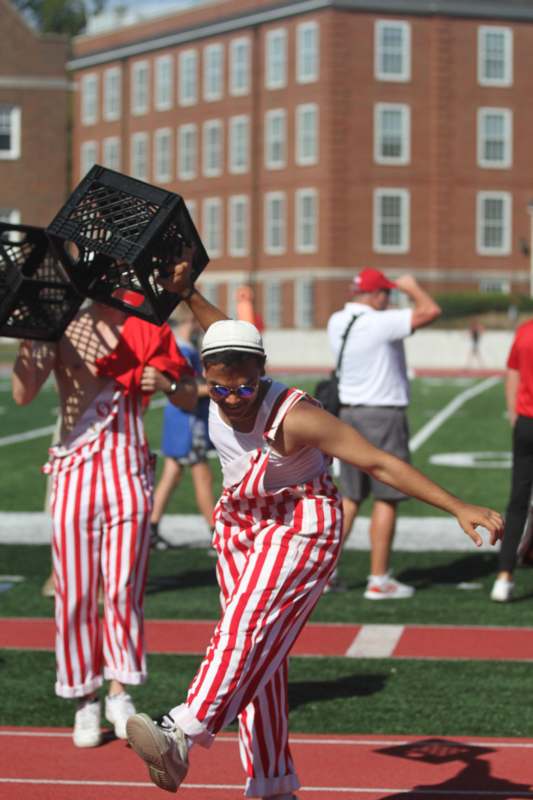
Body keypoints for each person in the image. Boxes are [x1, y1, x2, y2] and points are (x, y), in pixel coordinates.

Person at [125, 262, 503, 800]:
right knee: (262, 664)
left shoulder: (295, 416)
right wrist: (187, 292)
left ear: (261, 371)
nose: (233, 399)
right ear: (207, 373)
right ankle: (273, 784)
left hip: (302, 522)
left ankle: (181, 731)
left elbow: (379, 463)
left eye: (244, 387)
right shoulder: (215, 374)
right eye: (220, 388)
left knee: (246, 626)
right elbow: (217, 327)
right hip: (242, 523)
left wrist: (456, 505)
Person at [11, 294, 196, 748]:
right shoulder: (59, 322)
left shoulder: (147, 323)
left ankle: (119, 691)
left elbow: (189, 396)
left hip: (128, 471)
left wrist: (168, 385)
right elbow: (22, 394)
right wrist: (27, 336)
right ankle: (84, 698)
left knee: (124, 588)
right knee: (74, 592)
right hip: (75, 472)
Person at [326, 268, 442, 599]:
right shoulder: (378, 322)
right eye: (387, 294)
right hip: (382, 415)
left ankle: (327, 572)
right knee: (387, 496)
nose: (390, 299)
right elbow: (431, 311)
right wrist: (413, 287)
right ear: (376, 295)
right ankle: (379, 579)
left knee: (350, 498)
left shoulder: (338, 320)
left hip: (348, 414)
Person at [150, 308, 215, 550]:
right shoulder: (185, 349)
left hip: (177, 417)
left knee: (172, 472)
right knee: (202, 475)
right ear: (190, 319)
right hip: (189, 419)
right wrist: (224, 387)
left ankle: (151, 526)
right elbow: (186, 389)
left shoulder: (177, 346)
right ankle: (215, 532)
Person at [491, 318, 533, 601]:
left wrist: (514, 415)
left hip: (527, 423)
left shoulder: (524, 331)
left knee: (517, 501)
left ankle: (504, 577)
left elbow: (513, 373)